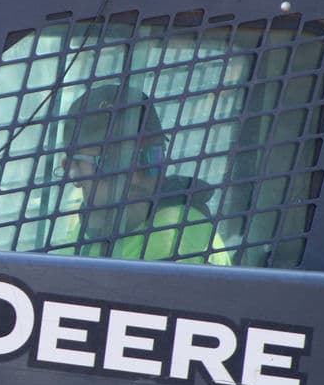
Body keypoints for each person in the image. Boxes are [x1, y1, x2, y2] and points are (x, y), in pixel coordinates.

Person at [61, 84, 231, 265]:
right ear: (73, 169)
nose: (134, 177)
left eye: (150, 156)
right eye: (110, 162)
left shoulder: (182, 235)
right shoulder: (66, 253)